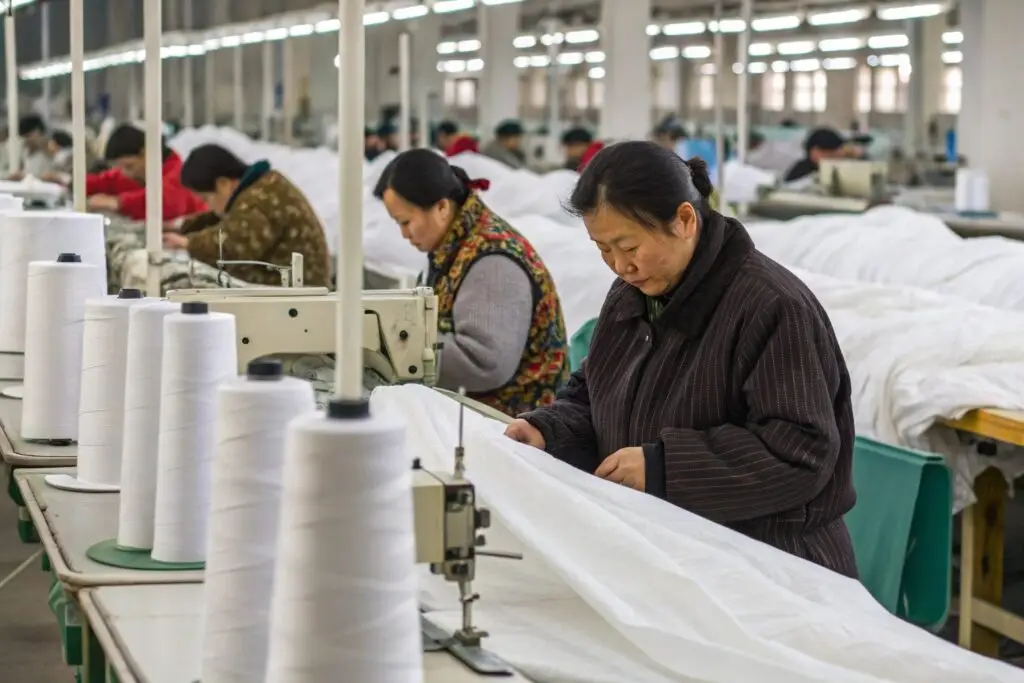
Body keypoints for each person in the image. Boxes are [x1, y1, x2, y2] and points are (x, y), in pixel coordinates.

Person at [503, 141, 858, 578]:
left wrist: (664, 468)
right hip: (677, 551)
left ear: (685, 220)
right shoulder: (632, 294)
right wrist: (548, 430)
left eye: (628, 246)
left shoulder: (771, 307)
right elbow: (594, 393)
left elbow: (800, 454)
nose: (619, 266)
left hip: (771, 567)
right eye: (603, 249)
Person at [373, 149, 569, 416]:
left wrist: (391, 345)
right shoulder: (452, 248)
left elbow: (484, 362)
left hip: (515, 426)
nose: (404, 234)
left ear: (442, 207)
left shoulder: (493, 260)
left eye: (406, 222)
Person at [168, 143, 331, 287]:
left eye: (206, 198)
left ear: (223, 184)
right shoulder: (259, 189)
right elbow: (226, 221)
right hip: (292, 291)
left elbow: (236, 245)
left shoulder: (261, 198)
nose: (207, 205)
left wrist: (189, 244)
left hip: (300, 299)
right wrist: (182, 228)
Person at [85, 124, 206, 221]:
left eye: (129, 166)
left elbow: (168, 204)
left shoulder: (177, 173)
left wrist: (117, 202)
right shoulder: (137, 173)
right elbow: (105, 181)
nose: (127, 174)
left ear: (145, 153)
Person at [782, 127, 848, 183]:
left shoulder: (839, 170)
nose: (837, 160)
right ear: (814, 152)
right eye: (831, 156)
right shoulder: (801, 171)